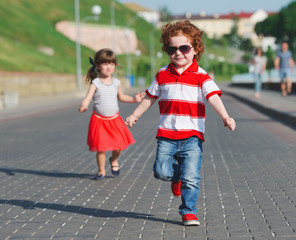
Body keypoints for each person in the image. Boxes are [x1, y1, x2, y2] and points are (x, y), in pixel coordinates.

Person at [125, 20, 236, 226]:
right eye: (172, 49)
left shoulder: (201, 76)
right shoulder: (162, 74)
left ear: (195, 49)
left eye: (184, 48)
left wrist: (225, 117)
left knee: (191, 178)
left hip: (192, 136)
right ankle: (176, 177)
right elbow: (150, 97)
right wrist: (135, 115)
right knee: (161, 172)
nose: (178, 53)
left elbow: (213, 97)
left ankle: (188, 212)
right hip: (166, 135)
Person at [79, 48, 145, 180]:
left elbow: (122, 97)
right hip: (99, 120)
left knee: (119, 147)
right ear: (98, 65)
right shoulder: (96, 83)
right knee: (101, 148)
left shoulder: (116, 83)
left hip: (114, 120)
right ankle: (101, 170)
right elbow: (88, 97)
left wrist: (134, 99)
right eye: (105, 64)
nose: (109, 67)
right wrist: (84, 104)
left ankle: (114, 160)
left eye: (111, 64)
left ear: (115, 66)